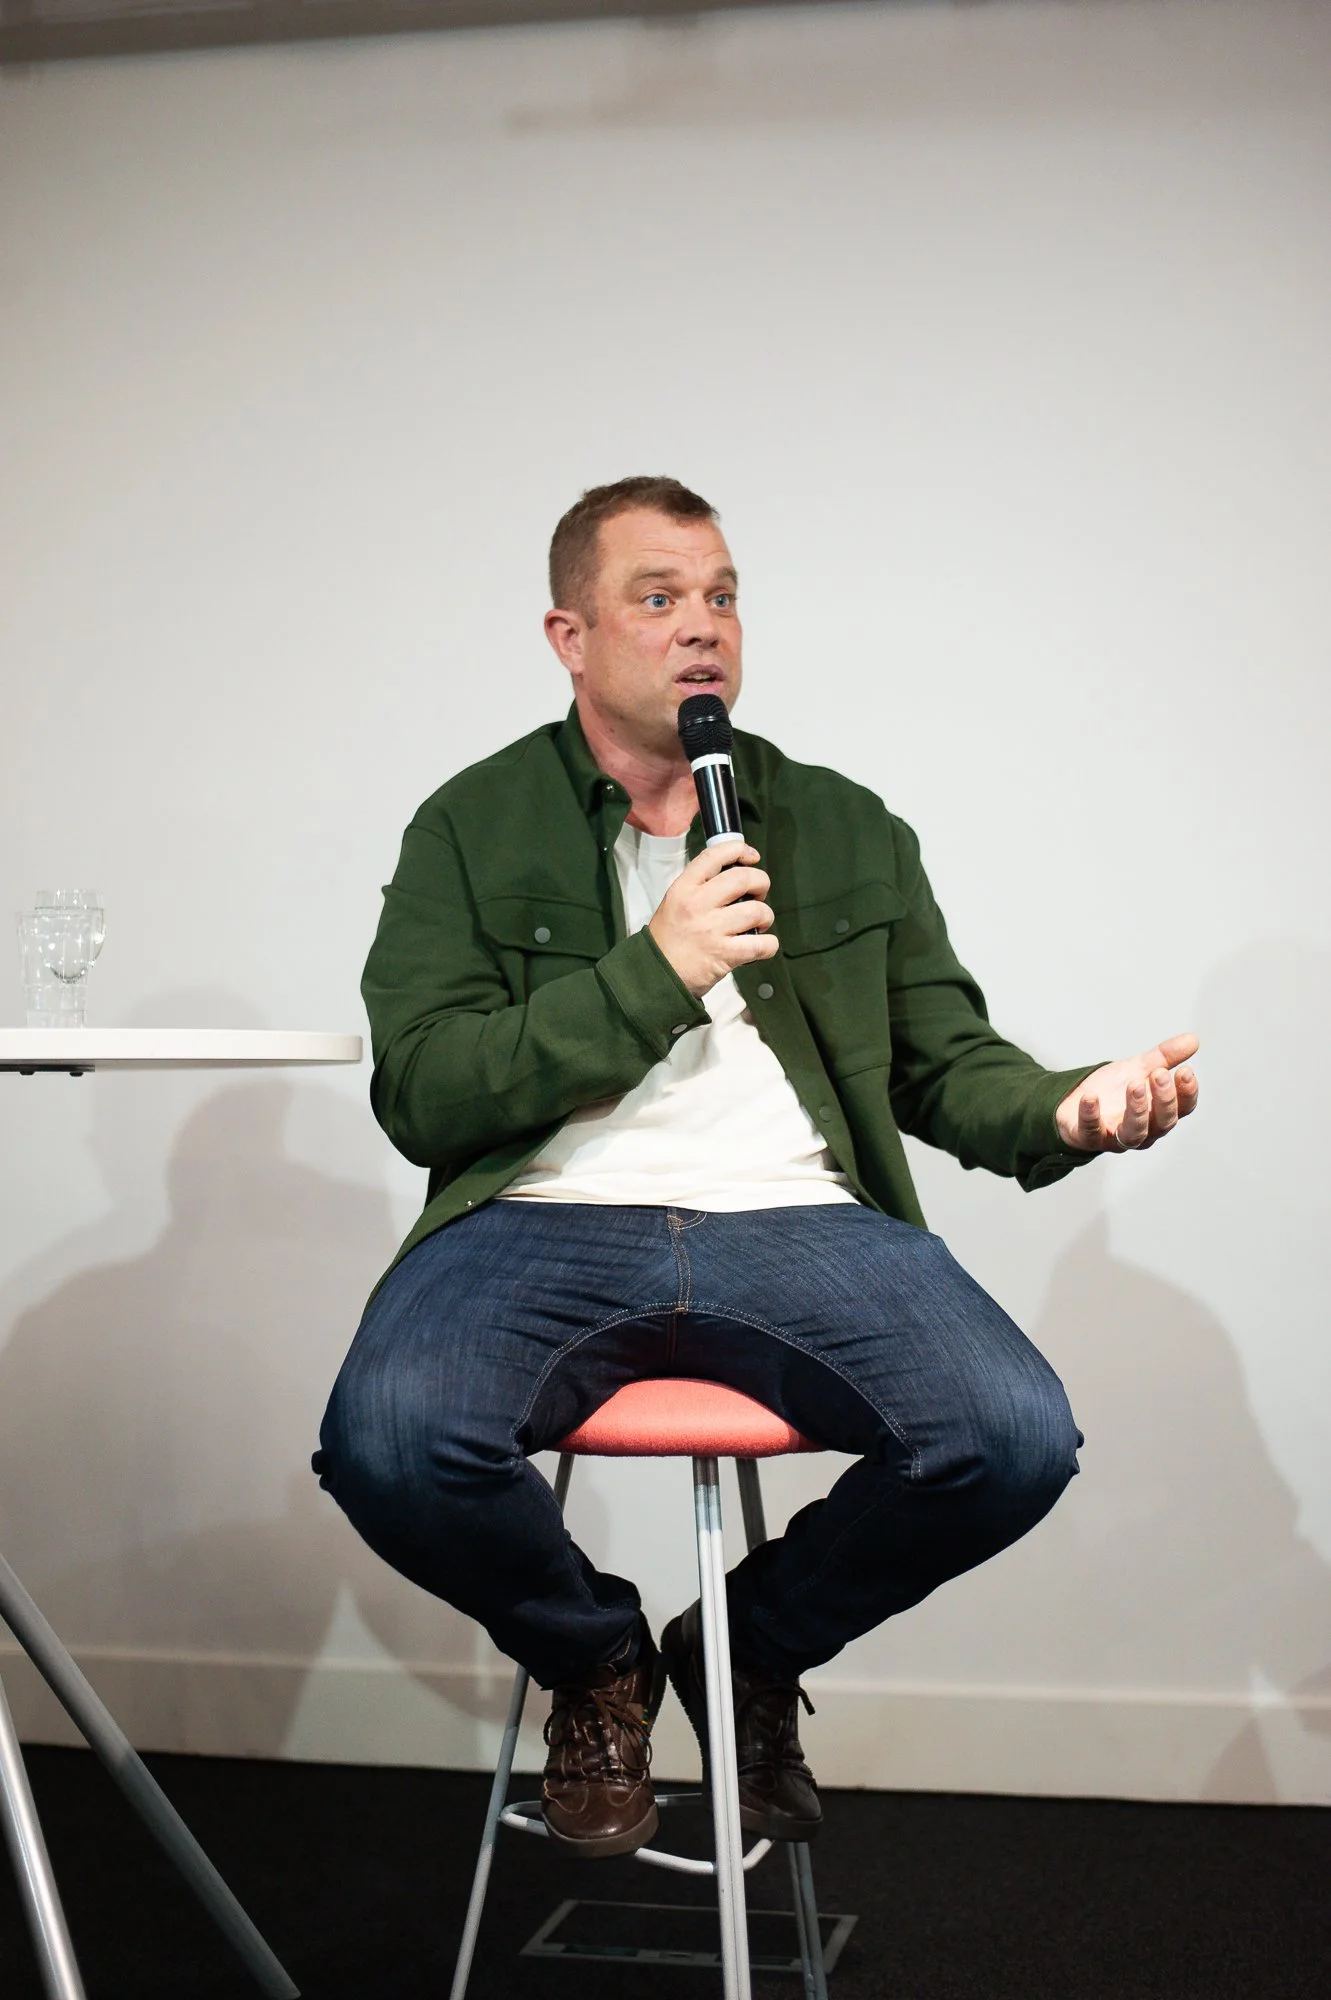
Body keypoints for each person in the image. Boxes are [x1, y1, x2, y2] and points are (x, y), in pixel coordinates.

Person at [314, 475, 1199, 1859]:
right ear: (569, 635)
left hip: (794, 1217)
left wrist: (1066, 1108)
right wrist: (651, 970)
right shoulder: (468, 827)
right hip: (543, 1217)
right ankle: (597, 1659)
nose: (701, 627)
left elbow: (942, 1065)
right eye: (656, 599)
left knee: (1010, 1438)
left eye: (720, 596)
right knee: (387, 1441)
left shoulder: (840, 823)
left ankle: (738, 1654)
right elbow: (426, 1092)